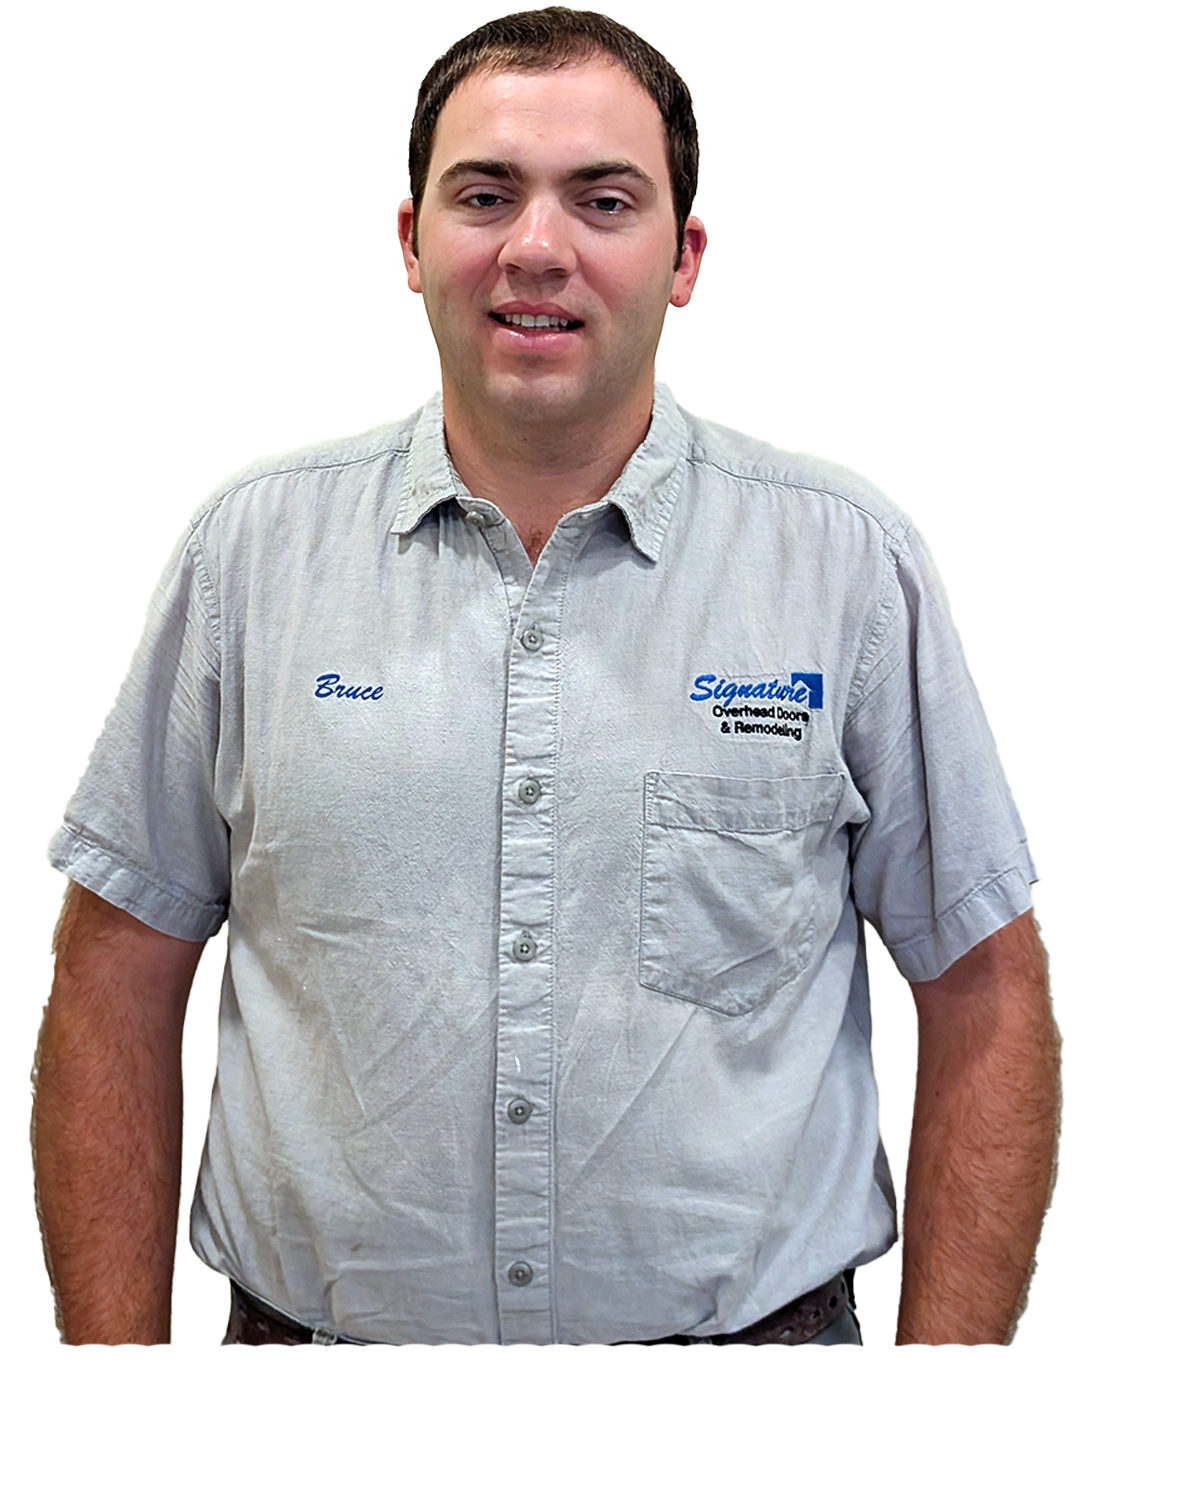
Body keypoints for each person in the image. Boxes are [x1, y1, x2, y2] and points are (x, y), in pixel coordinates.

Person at [33, 6, 1059, 1348]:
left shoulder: (846, 567)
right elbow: (115, 974)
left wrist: (947, 1418)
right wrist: (117, 1408)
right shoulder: (250, 556)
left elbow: (984, 990)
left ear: (683, 257)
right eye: (484, 193)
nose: (535, 247)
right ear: (411, 242)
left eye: (604, 199)